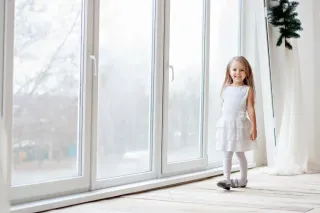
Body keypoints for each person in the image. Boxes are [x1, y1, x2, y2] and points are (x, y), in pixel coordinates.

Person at [216, 56, 257, 190]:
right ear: (229, 71)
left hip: (239, 125)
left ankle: (243, 179)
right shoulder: (226, 88)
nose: (237, 73)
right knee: (227, 152)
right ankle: (226, 179)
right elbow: (224, 107)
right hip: (227, 125)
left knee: (239, 153)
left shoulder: (247, 89)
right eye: (234, 69)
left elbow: (250, 108)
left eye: (241, 70)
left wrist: (254, 127)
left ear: (247, 73)